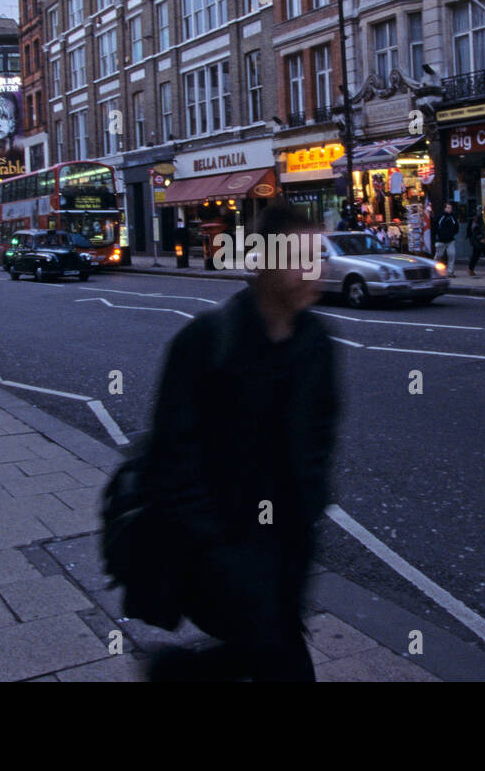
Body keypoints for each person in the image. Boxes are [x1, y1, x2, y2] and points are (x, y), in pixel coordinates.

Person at [139, 203, 338, 682]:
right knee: (283, 660)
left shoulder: (317, 343)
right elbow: (173, 458)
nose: (316, 271)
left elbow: (319, 441)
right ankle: (179, 671)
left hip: (286, 549)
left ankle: (183, 672)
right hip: (223, 547)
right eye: (300, 259)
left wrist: (306, 515)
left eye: (320, 256)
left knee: (266, 649)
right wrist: (218, 548)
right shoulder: (205, 342)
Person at [433, 201, 460, 276]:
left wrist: (452, 234)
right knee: (438, 256)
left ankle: (450, 272)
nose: (449, 209)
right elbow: (434, 227)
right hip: (440, 240)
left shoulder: (453, 217)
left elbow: (456, 227)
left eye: (450, 208)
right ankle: (434, 269)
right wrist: (437, 236)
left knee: (452, 255)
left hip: (450, 240)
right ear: (444, 208)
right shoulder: (440, 217)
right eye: (448, 207)